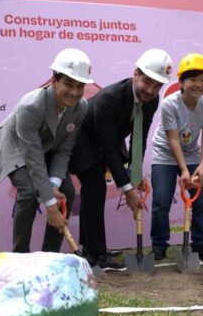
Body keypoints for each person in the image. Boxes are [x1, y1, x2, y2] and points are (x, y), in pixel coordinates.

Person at [69, 48, 173, 269]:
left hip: (109, 141)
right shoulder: (109, 98)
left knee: (94, 191)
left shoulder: (152, 100)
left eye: (157, 86)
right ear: (136, 73)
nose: (151, 90)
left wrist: (135, 175)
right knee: (95, 186)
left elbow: (139, 138)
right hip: (84, 141)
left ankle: (92, 248)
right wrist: (128, 189)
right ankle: (96, 255)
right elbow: (108, 148)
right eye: (147, 82)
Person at [0, 48, 94, 253]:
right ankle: (20, 257)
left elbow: (64, 150)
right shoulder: (31, 106)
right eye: (68, 84)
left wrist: (54, 186)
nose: (74, 92)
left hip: (46, 146)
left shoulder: (81, 107)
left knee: (67, 192)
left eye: (80, 86)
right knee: (28, 191)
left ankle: (49, 256)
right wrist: (50, 205)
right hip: (15, 145)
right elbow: (33, 157)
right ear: (54, 81)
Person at [150, 52, 203, 262]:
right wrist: (183, 170)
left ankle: (200, 244)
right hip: (165, 154)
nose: (198, 84)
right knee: (161, 201)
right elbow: (173, 140)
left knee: (202, 201)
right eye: (193, 79)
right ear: (181, 81)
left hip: (192, 154)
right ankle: (159, 245)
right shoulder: (169, 104)